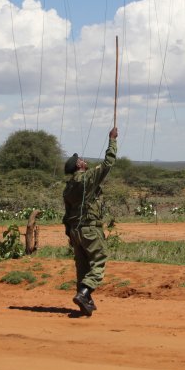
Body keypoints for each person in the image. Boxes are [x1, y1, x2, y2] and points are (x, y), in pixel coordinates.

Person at [62, 127, 118, 316]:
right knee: (99, 260)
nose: (83, 160)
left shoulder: (68, 188)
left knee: (82, 266)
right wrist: (112, 140)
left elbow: (66, 214)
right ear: (79, 166)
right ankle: (85, 293)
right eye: (80, 160)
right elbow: (108, 163)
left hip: (75, 231)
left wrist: (70, 234)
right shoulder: (88, 179)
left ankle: (86, 301)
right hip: (90, 230)